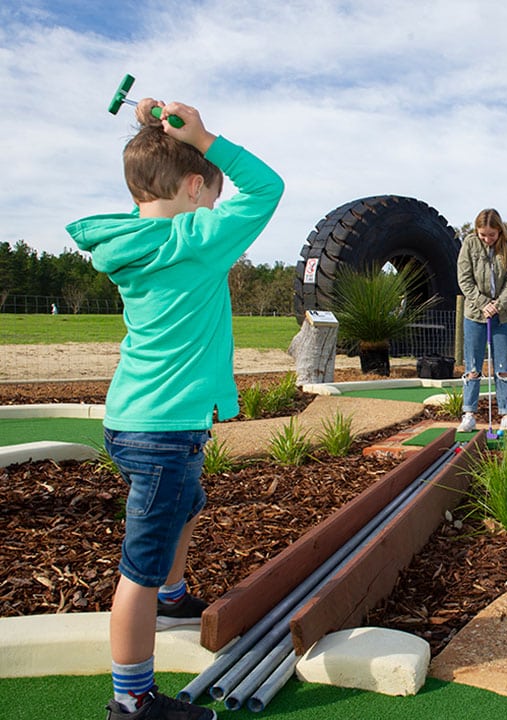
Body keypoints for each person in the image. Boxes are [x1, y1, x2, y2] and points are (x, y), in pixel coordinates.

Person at [66, 97, 283, 719]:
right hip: (163, 430)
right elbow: (268, 187)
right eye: (211, 195)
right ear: (193, 188)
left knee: (187, 504)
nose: (217, 207)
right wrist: (208, 138)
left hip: (132, 419)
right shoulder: (198, 236)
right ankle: (131, 701)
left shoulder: (130, 243)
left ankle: (174, 595)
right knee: (139, 564)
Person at [456, 208, 507, 433]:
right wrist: (483, 303)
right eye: (483, 234)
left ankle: (506, 415)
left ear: (499, 230)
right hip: (475, 314)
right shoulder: (470, 244)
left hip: (502, 315)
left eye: (491, 235)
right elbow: (464, 279)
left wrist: (497, 305)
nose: (487, 239)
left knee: (503, 367)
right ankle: (469, 414)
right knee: (473, 367)